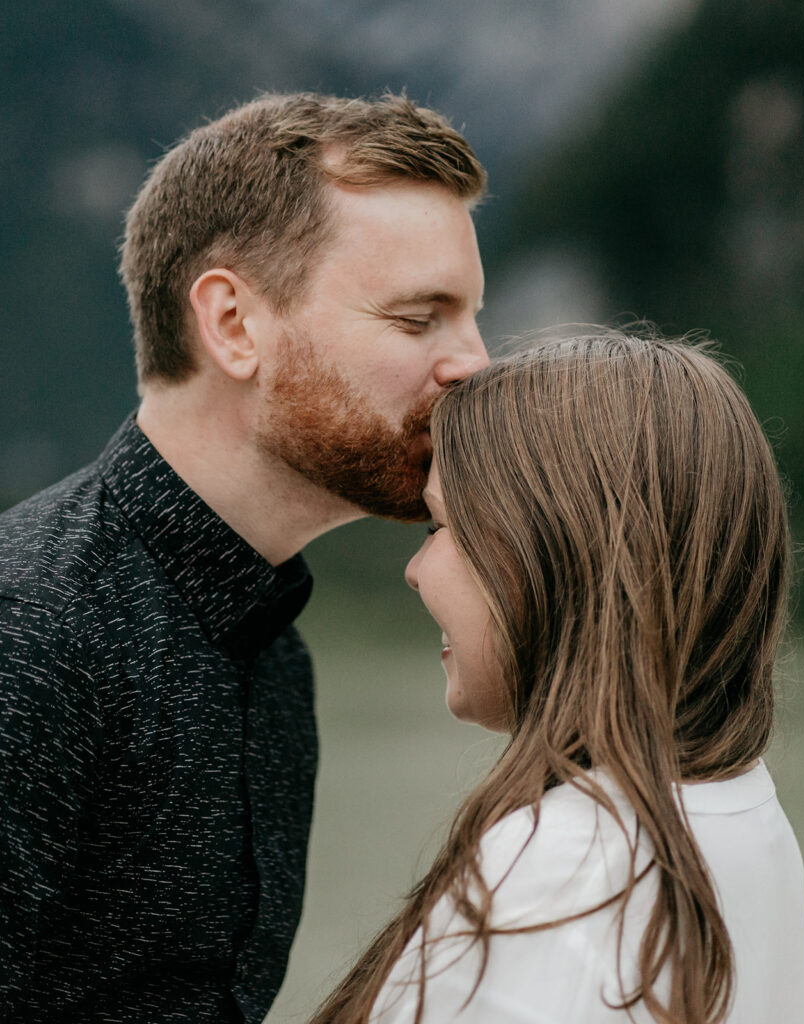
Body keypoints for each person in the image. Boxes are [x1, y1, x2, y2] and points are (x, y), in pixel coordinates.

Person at [0, 92, 488, 1023]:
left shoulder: (271, 648)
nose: (474, 362)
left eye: (469, 317)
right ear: (232, 324)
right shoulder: (30, 637)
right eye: (421, 317)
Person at [310, 332, 804, 1024]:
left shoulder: (560, 881)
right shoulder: (740, 814)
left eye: (440, 525)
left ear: (557, 551)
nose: (415, 569)